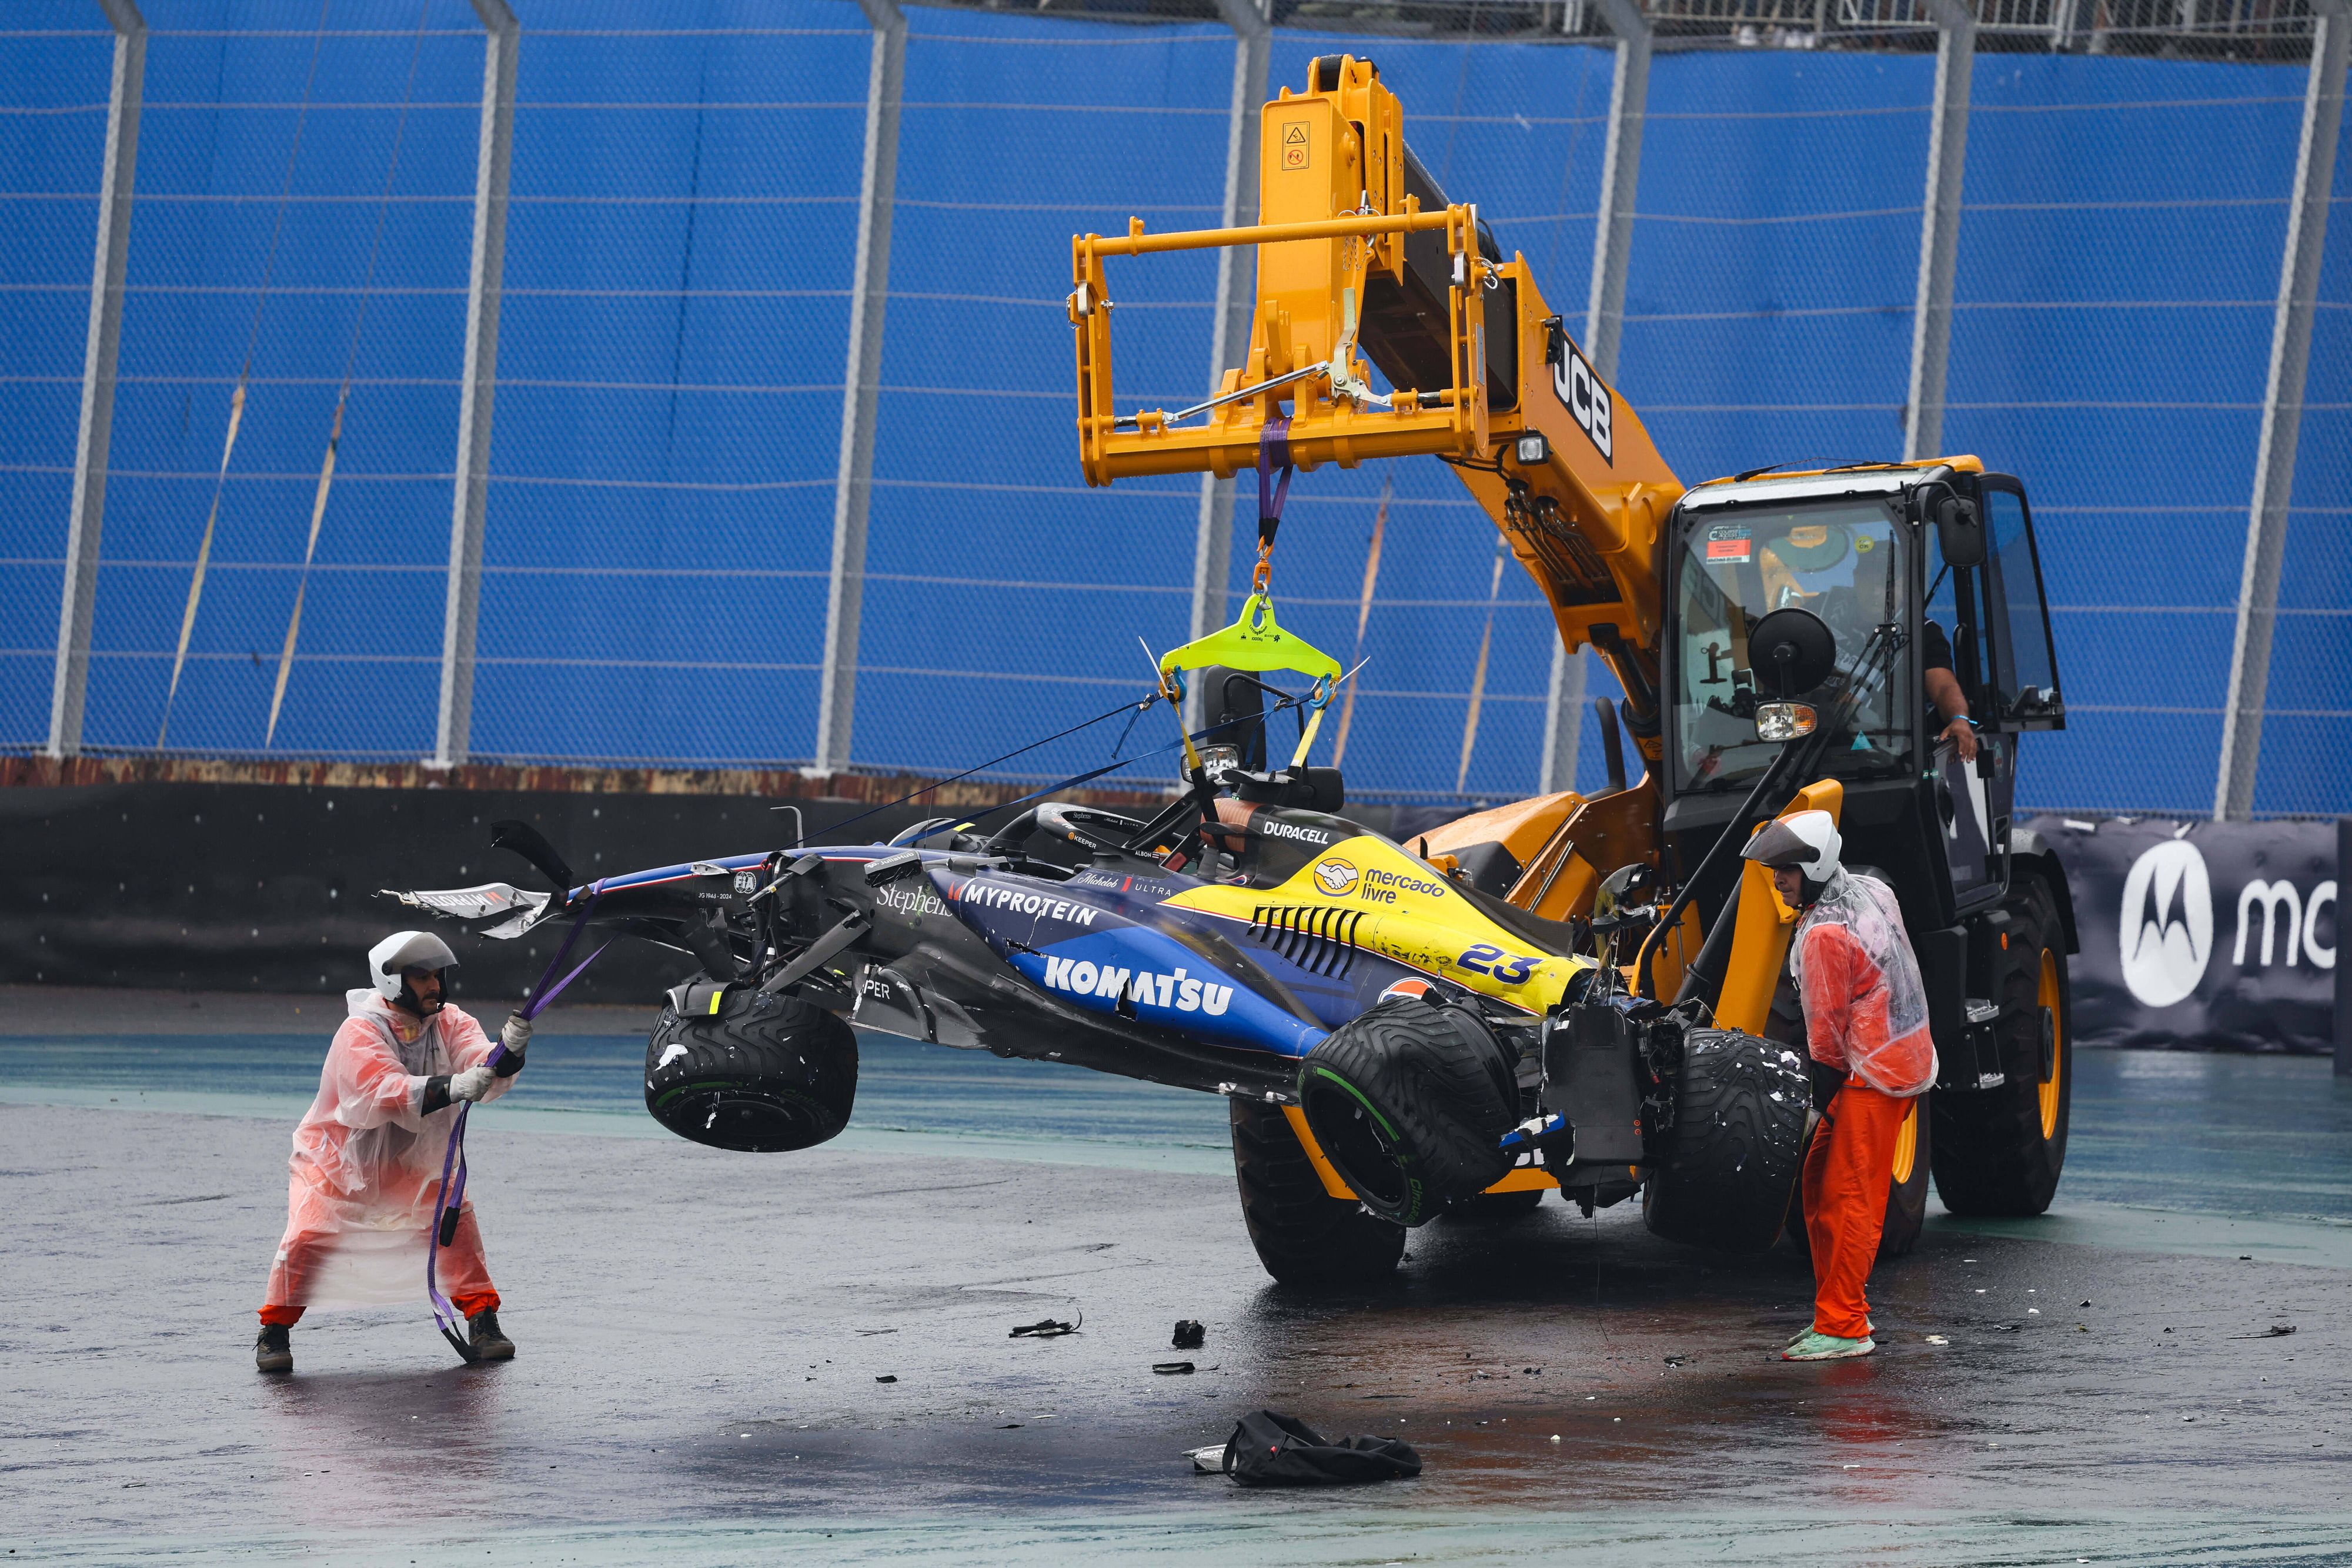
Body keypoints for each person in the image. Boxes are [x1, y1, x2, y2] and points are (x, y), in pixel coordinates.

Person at [253, 931, 530, 1374]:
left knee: (456, 1229)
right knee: (308, 1236)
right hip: (344, 1161)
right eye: (422, 976)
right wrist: (454, 1085)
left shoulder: (451, 1021)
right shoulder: (359, 1030)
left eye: (437, 975)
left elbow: (483, 1063)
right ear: (391, 980)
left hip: (416, 1159)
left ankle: (483, 1322)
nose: (435, 985)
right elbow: (378, 1093)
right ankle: (274, 1330)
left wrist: (509, 1051)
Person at [1742, 811, 1937, 1362]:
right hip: (1896, 1061)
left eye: (1786, 870)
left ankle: (1845, 1326)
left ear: (1815, 868)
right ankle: (1837, 1314)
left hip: (1871, 1074)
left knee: (1850, 1198)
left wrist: (1811, 1105)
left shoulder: (1824, 934)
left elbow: (1825, 1037)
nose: (1777, 880)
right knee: (1822, 1183)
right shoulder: (1870, 888)